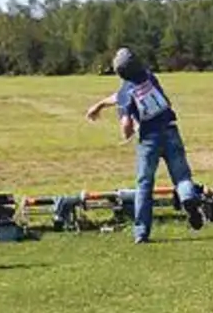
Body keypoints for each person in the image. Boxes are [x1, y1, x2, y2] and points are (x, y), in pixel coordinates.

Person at [84, 47, 205, 242]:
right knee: (182, 177)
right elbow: (127, 96)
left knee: (144, 185)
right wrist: (100, 104)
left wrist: (126, 135)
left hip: (149, 139)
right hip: (171, 130)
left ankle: (141, 232)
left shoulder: (126, 91)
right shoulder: (149, 77)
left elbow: (126, 123)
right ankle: (188, 198)